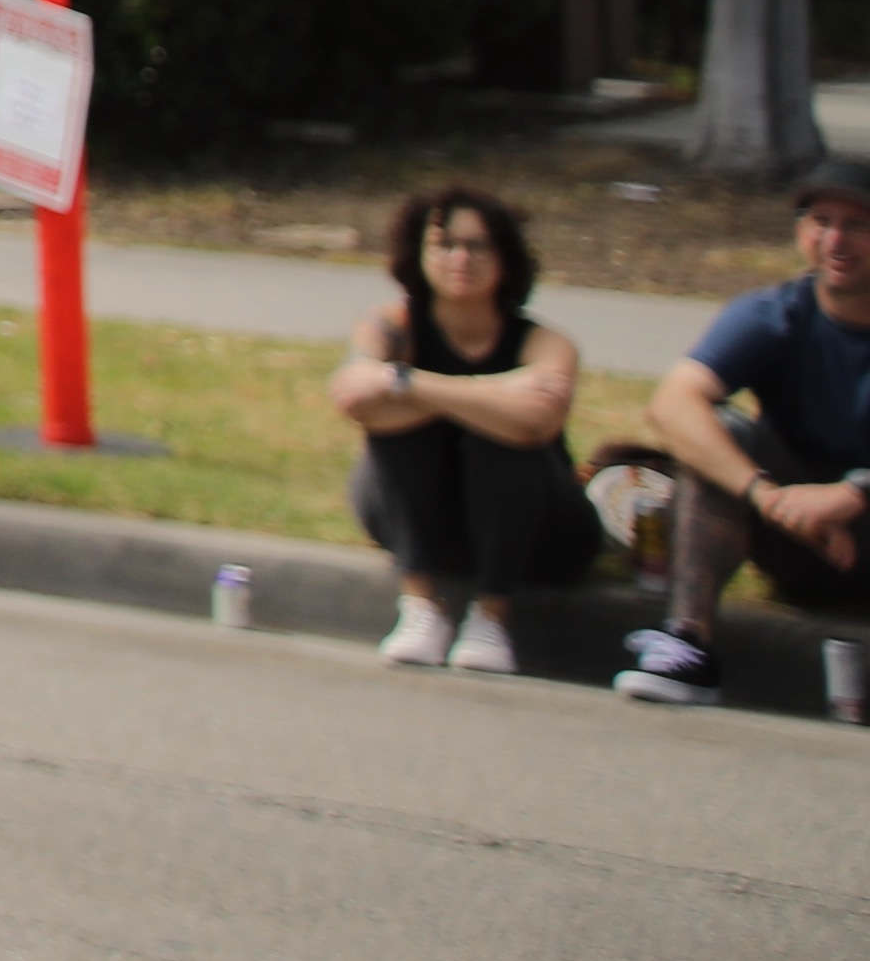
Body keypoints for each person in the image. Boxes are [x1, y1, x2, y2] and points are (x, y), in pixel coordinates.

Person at [617, 153, 870, 710]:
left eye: (857, 224)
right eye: (820, 222)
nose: (836, 240)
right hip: (798, 535)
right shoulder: (774, 314)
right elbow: (673, 402)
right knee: (718, 431)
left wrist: (851, 494)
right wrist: (767, 496)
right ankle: (689, 645)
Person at [335, 184, 596, 671]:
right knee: (398, 434)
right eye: (444, 244)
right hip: (423, 521)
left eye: (478, 245)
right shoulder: (390, 326)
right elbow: (353, 397)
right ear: (418, 252)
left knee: (497, 442)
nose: (460, 258)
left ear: (506, 258)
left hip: (537, 530)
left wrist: (404, 383)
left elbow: (534, 422)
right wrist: (495, 393)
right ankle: (419, 608)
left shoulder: (544, 342)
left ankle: (492, 617)